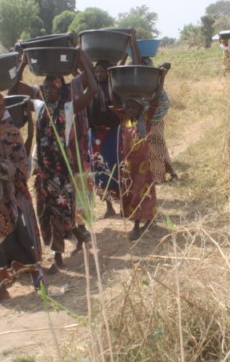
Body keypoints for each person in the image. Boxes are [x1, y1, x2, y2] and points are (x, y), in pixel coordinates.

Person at [31, 49, 97, 273]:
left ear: (60, 90)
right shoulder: (39, 107)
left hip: (61, 171)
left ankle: (58, 257)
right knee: (46, 213)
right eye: (45, 86)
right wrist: (22, 64)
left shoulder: (68, 109)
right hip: (43, 171)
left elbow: (94, 90)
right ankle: (75, 239)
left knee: (61, 212)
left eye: (52, 86)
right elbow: (14, 91)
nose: (47, 90)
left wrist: (81, 60)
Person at [0, 92, 43, 310]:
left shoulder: (11, 132)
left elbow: (22, 165)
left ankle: (37, 275)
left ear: (3, 109)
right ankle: (0, 290)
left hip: (12, 195)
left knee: (21, 234)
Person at [109, 65, 169, 241]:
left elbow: (156, 99)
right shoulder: (125, 119)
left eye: (134, 107)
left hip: (143, 165)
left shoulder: (146, 119)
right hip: (129, 165)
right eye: (128, 108)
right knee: (132, 193)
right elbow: (114, 99)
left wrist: (162, 79)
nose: (130, 110)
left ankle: (136, 226)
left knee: (141, 193)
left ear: (140, 108)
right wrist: (111, 80)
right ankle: (147, 219)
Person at [87, 60, 122, 219]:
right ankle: (109, 207)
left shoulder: (114, 89)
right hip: (95, 135)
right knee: (99, 170)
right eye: (97, 72)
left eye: (103, 71)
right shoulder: (91, 89)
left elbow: (118, 108)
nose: (99, 74)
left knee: (116, 167)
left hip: (112, 134)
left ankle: (123, 204)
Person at [141, 57, 178, 184]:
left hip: (154, 120)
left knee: (156, 148)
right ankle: (170, 172)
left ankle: (157, 177)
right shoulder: (138, 80)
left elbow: (168, 63)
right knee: (158, 147)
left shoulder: (153, 81)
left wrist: (162, 75)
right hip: (147, 120)